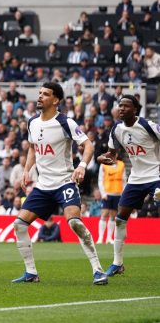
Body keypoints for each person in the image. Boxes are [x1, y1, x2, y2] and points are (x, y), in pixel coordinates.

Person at [13, 82, 107, 285]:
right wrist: (27, 170)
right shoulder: (32, 123)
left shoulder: (66, 122)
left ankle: (98, 270)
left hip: (64, 182)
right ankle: (31, 272)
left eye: (45, 94)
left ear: (55, 100)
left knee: (74, 221)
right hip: (43, 186)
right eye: (39, 93)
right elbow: (32, 148)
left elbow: (88, 145)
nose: (40, 97)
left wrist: (81, 165)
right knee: (19, 224)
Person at [97, 95, 160, 277]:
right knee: (120, 218)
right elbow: (112, 155)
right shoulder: (116, 129)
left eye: (126, 106)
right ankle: (117, 263)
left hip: (156, 174)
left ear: (135, 109)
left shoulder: (148, 126)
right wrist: (103, 158)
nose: (121, 109)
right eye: (120, 106)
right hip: (136, 179)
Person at [97, 155, 124, 244]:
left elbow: (124, 179)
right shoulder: (103, 165)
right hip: (107, 193)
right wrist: (103, 193)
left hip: (118, 193)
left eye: (115, 154)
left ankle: (109, 238)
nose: (113, 156)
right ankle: (100, 238)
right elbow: (100, 180)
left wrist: (123, 193)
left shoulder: (121, 164)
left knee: (113, 216)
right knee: (104, 214)